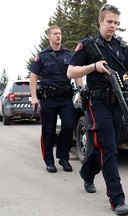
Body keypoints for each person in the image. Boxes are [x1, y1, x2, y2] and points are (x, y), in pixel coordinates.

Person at [67, 4, 128, 215]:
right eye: (109, 22)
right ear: (100, 21)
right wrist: (93, 67)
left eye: (116, 23)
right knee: (109, 149)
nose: (112, 26)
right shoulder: (87, 46)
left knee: (106, 146)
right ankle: (117, 199)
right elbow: (70, 72)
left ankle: (87, 173)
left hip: (118, 103)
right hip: (97, 104)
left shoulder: (122, 47)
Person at [30, 25, 78, 173]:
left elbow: (76, 73)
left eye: (60, 33)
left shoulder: (69, 55)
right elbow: (33, 77)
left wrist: (80, 90)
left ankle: (64, 158)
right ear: (49, 36)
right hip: (48, 99)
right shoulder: (42, 56)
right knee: (49, 130)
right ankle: (49, 161)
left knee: (69, 126)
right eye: (55, 34)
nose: (58, 36)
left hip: (65, 98)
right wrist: (33, 98)